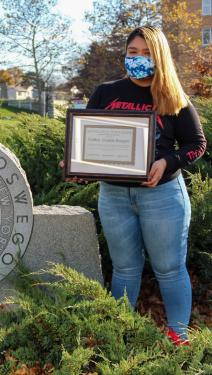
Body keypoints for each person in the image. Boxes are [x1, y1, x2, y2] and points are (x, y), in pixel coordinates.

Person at [84, 26, 207, 345]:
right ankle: (118, 333)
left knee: (169, 268)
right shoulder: (105, 92)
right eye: (132, 53)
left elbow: (196, 144)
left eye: (146, 53)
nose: (138, 59)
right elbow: (87, 141)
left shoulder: (172, 97)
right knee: (124, 268)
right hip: (113, 197)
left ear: (159, 56)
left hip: (162, 197)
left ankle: (178, 335)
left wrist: (168, 162)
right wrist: (76, 165)